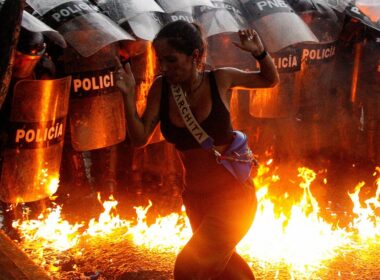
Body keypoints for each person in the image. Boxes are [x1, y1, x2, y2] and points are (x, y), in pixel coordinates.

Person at [115, 20, 279, 280]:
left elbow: (269, 80)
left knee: (188, 267)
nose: (164, 68)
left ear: (194, 56)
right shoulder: (162, 87)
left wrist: (259, 52)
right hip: (196, 199)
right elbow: (140, 138)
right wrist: (127, 95)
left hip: (233, 198)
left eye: (171, 60)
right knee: (221, 267)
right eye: (161, 61)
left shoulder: (220, 79)